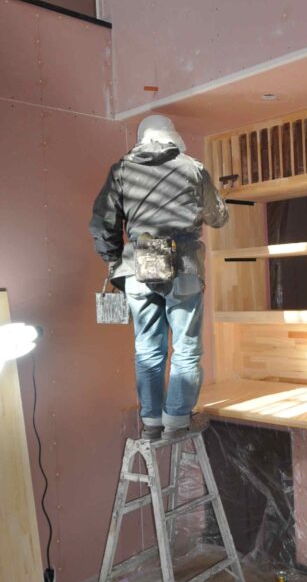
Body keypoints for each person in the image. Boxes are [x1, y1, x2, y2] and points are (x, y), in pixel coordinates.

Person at [89, 114, 228, 441]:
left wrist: (114, 260)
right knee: (186, 348)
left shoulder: (122, 170)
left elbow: (102, 223)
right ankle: (177, 420)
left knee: (148, 349)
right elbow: (218, 217)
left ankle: (151, 421)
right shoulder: (193, 168)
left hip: (139, 265)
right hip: (183, 265)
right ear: (172, 138)